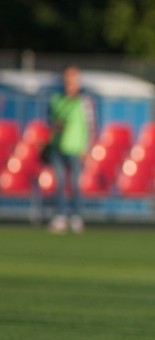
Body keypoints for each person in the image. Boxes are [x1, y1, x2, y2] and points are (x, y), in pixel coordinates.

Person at [46, 65, 95, 234]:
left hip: (76, 148)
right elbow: (50, 120)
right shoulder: (56, 99)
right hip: (58, 146)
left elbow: (90, 126)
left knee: (74, 183)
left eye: (72, 79)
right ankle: (60, 216)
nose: (69, 83)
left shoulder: (84, 101)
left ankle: (76, 216)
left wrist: (87, 148)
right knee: (59, 183)